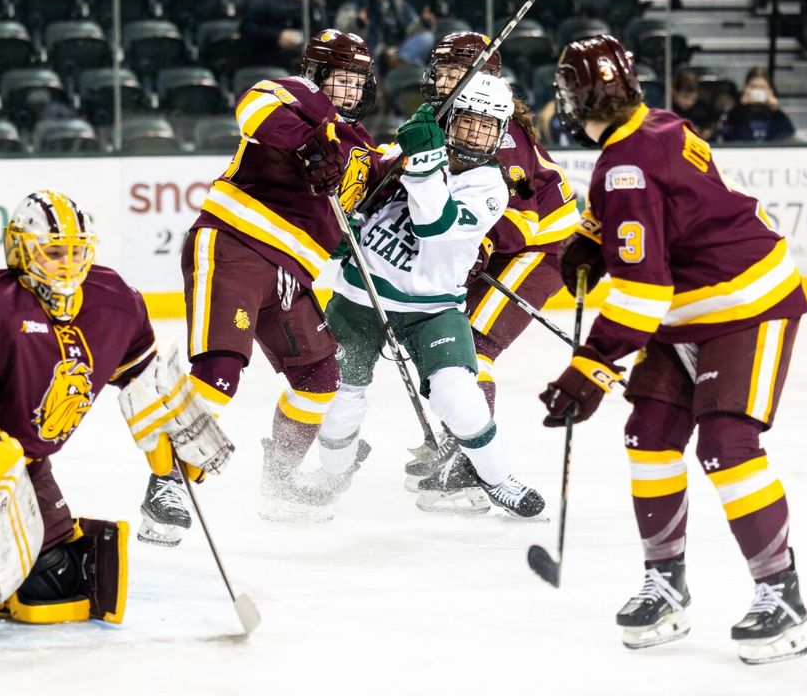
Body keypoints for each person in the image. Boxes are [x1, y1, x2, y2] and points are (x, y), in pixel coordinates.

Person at [0, 190, 234, 664]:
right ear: (21, 251)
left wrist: (177, 444)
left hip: (21, 462)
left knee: (56, 583)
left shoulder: (118, 303)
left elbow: (147, 382)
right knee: (1, 486)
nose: (67, 265)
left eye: (76, 252)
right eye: (53, 252)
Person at [540, 35, 807, 664]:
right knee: (650, 435)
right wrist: (594, 237)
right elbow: (660, 209)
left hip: (747, 304)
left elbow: (642, 290)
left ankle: (782, 594)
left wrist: (590, 367)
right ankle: (666, 583)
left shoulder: (626, 163)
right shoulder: (651, 125)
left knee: (726, 444)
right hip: (685, 311)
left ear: (576, 99)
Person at [304, 71, 546, 520]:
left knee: (458, 395)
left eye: (486, 126)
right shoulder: (405, 152)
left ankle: (497, 479)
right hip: (361, 293)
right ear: (450, 118)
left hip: (432, 308)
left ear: (500, 133)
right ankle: (333, 473)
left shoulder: (491, 187)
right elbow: (361, 196)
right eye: (467, 120)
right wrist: (339, 223)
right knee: (338, 394)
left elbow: (435, 225)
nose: (473, 133)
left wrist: (425, 161)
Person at [170, 29, 380, 524]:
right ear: (317, 74)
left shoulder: (361, 145)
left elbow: (370, 192)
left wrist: (416, 157)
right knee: (219, 372)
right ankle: (167, 483)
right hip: (236, 246)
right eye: (342, 78)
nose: (350, 90)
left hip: (291, 274)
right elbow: (253, 107)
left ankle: (280, 484)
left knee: (320, 377)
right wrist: (309, 144)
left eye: (358, 81)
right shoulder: (298, 96)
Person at [404, 32, 579, 497]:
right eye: (441, 70)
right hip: (508, 249)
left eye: (455, 72)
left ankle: (471, 466)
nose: (443, 80)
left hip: (540, 248)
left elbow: (520, 222)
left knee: (475, 345)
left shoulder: (500, 132)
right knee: (446, 342)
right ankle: (456, 440)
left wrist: (470, 251)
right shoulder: (446, 118)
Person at [334, 0, 435, 71]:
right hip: (375, 55)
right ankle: (409, 68)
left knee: (426, 37)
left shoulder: (397, 1)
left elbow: (413, 30)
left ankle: (401, 63)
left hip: (400, 49)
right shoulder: (355, 4)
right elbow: (341, 35)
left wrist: (424, 23)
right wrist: (359, 24)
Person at [241, 0, 323, 70]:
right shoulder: (267, 1)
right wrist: (277, 36)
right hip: (270, 60)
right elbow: (247, 29)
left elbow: (323, 32)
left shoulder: (314, 4)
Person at [719, 67, 795, 143]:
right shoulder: (737, 112)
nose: (757, 92)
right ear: (745, 88)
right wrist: (741, 107)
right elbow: (726, 132)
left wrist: (776, 111)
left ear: (770, 90)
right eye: (753, 87)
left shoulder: (775, 115)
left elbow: (788, 133)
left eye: (762, 88)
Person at [670, 69, 719, 141]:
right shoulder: (669, 109)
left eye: (693, 99)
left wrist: (707, 132)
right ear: (674, 93)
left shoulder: (703, 109)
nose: (689, 102)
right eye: (685, 97)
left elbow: (712, 125)